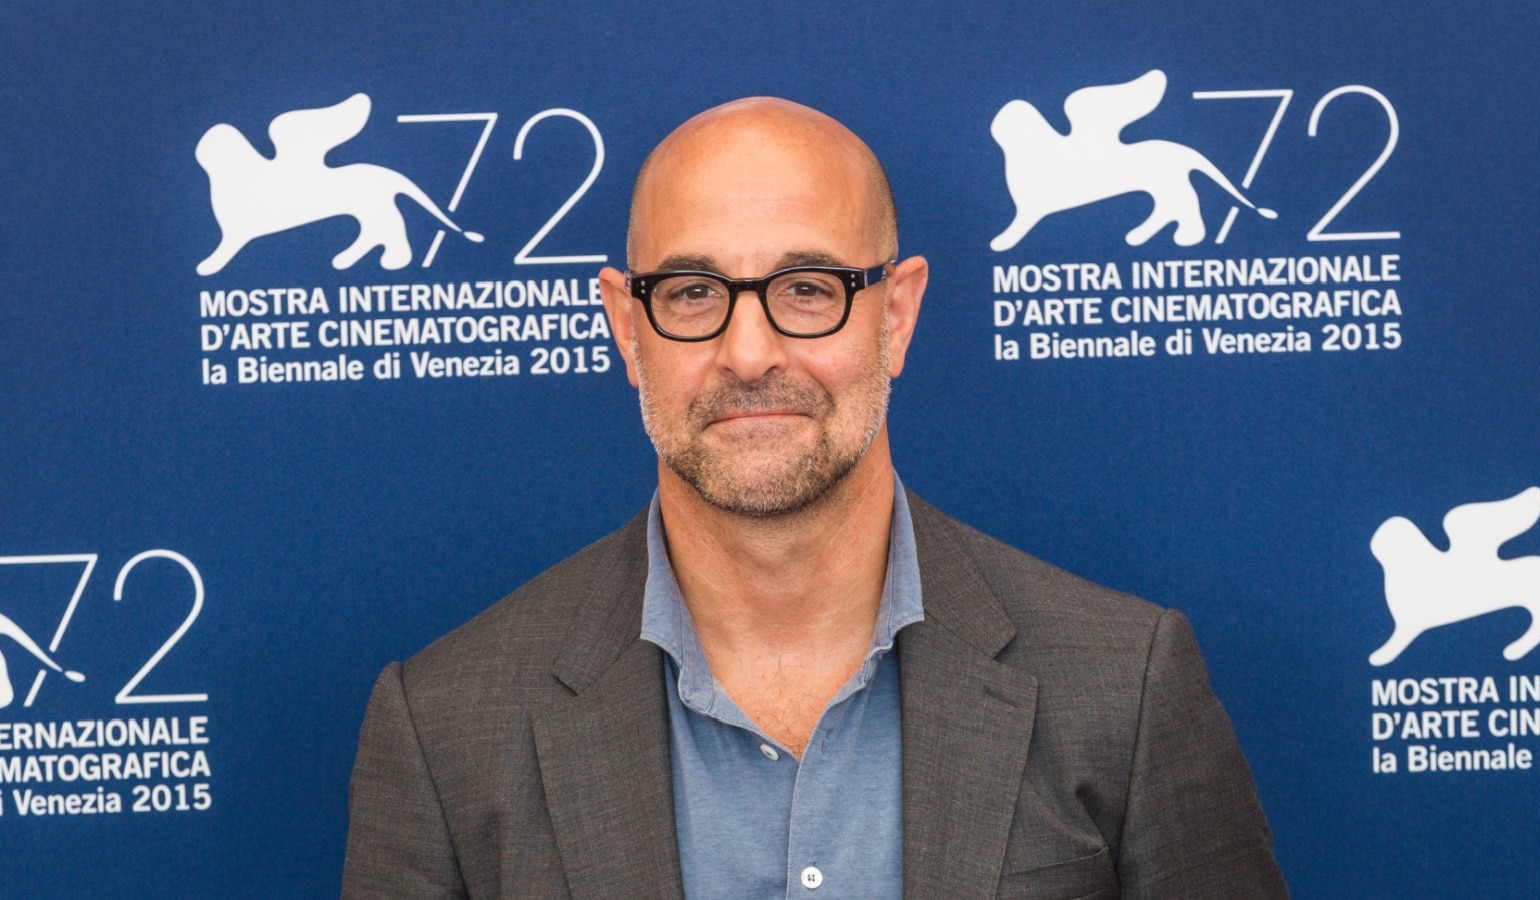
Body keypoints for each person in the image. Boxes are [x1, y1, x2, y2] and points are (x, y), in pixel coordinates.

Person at [343, 97, 1288, 899]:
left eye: (806, 289)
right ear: (628, 330)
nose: (749, 353)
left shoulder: (1124, 687)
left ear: (898, 315)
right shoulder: (443, 727)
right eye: (690, 292)